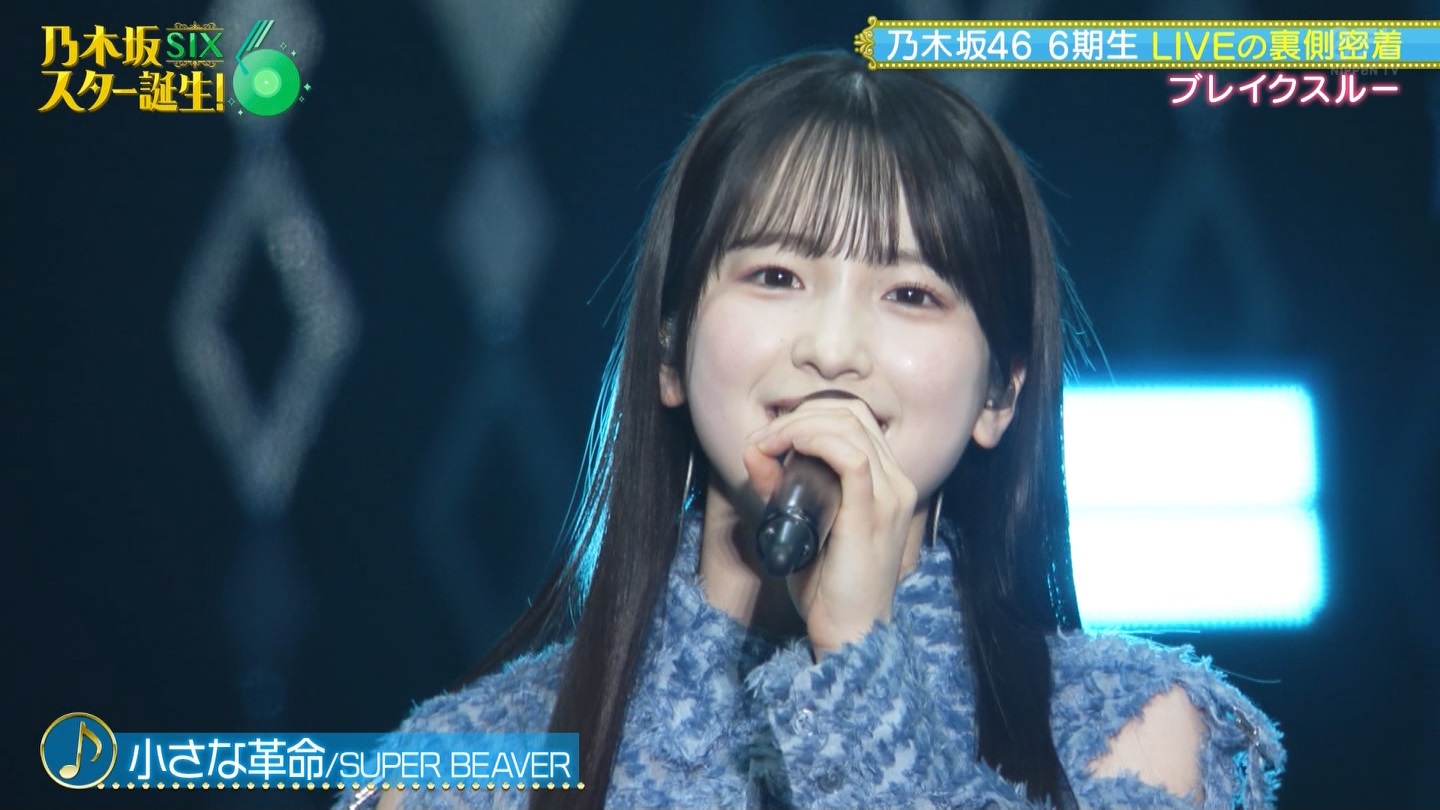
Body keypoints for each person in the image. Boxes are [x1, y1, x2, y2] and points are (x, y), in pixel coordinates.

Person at [338, 51, 1284, 810]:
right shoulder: (464, 766)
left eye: (910, 294)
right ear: (669, 351)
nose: (832, 350)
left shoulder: (1133, 731)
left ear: (1000, 394)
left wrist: (861, 662)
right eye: (777, 277)